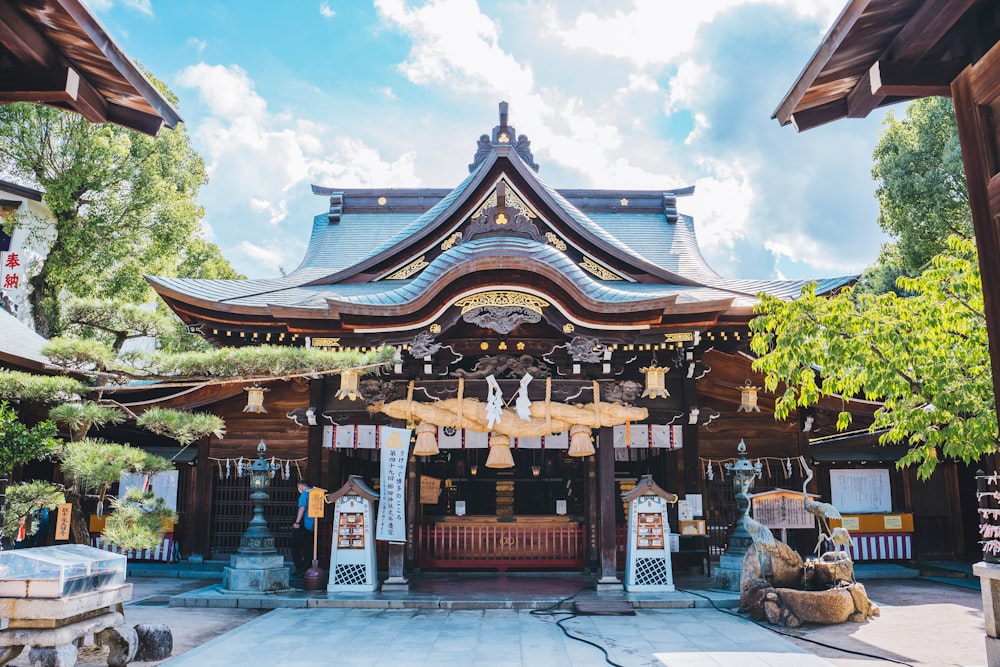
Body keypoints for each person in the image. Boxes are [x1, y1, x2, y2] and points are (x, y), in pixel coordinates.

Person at [291, 479, 314, 576]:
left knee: (294, 544)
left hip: (303, 522)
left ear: (301, 485)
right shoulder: (315, 493)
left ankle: (299, 567)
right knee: (308, 546)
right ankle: (307, 567)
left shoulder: (304, 494)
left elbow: (302, 508)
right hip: (313, 523)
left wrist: (297, 522)